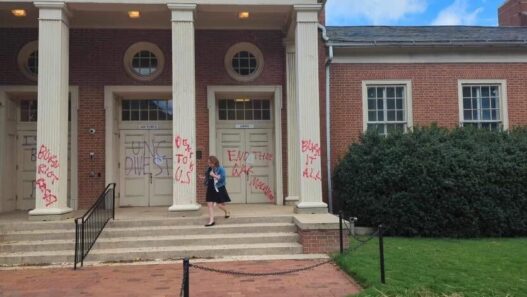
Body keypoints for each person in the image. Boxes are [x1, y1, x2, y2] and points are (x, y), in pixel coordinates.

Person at [204, 155, 231, 227]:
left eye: (210, 163)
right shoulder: (209, 168)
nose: (209, 164)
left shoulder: (221, 168)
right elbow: (208, 177)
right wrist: (205, 178)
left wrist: (214, 175)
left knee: (219, 205)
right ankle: (211, 221)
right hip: (210, 188)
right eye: (208, 162)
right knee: (209, 204)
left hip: (218, 188)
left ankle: (226, 211)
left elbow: (222, 179)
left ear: (214, 162)